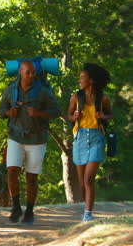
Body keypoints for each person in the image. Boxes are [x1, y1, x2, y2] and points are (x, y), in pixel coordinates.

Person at [0, 60, 60, 225]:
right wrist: (8, 112)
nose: (31, 75)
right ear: (20, 71)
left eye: (33, 72)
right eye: (28, 72)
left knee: (31, 177)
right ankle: (16, 207)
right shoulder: (11, 90)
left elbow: (56, 111)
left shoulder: (43, 92)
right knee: (12, 172)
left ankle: (30, 211)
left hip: (37, 138)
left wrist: (39, 113)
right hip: (15, 137)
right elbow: (1, 110)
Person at [67, 63, 112, 222]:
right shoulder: (76, 96)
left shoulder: (103, 98)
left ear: (91, 80)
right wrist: (75, 116)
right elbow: (69, 116)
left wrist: (102, 116)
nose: (80, 80)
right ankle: (86, 207)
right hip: (79, 138)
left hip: (96, 138)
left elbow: (109, 114)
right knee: (81, 183)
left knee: (88, 179)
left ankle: (88, 213)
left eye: (82, 78)